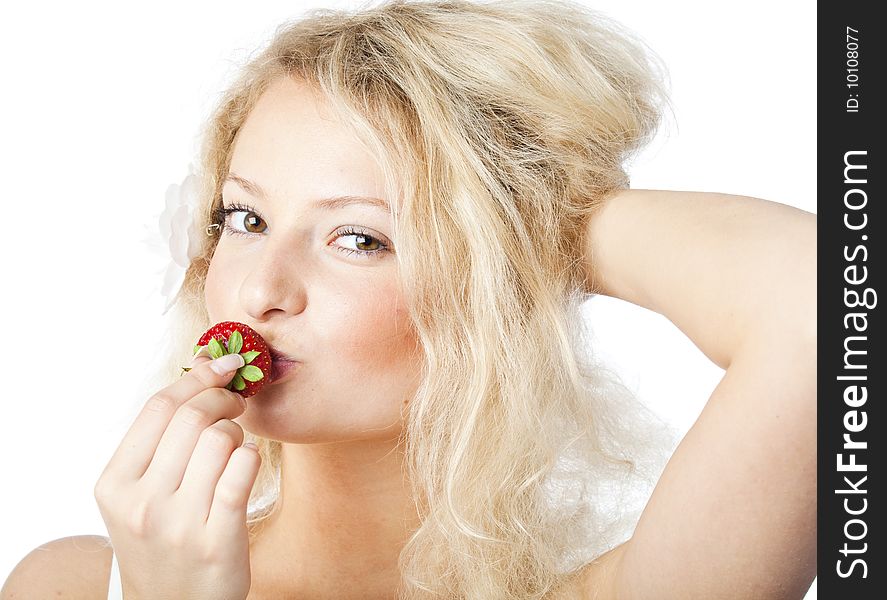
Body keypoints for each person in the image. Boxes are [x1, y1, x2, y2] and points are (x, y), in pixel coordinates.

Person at [1, 0, 816, 598]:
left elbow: (823, 301)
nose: (257, 287)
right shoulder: (69, 584)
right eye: (245, 217)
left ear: (489, 290)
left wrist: (522, 228)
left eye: (359, 239)